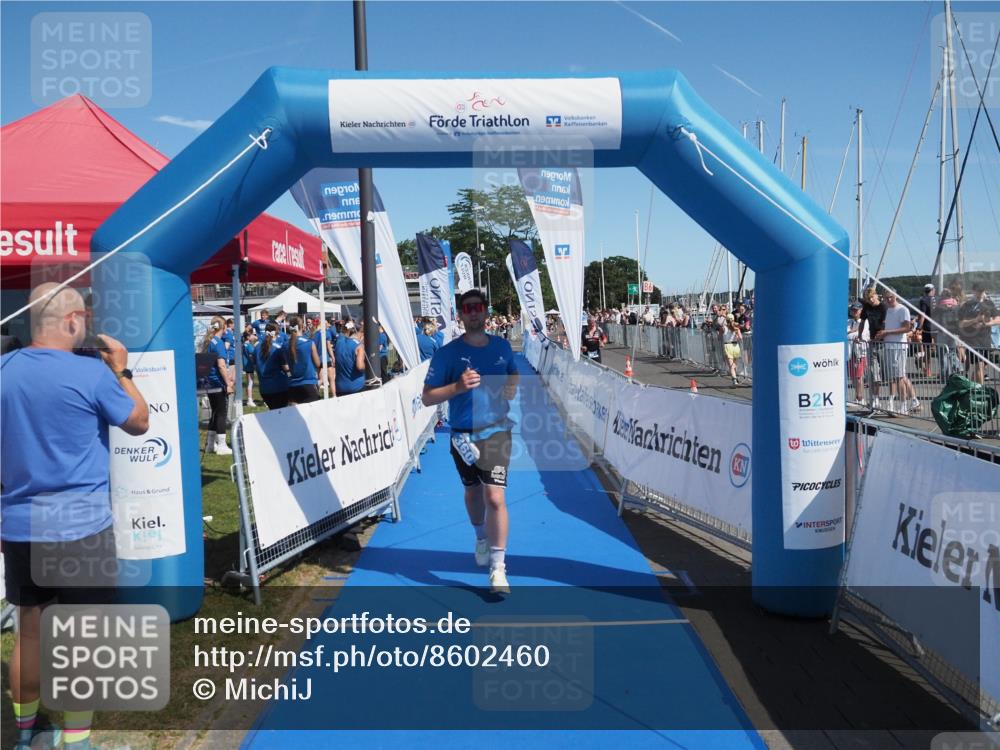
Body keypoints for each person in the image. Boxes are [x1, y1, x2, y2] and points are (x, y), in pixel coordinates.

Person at [2, 283, 149, 750]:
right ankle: (77, 739)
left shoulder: (4, 369)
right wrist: (122, 369)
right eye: (84, 318)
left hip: (22, 524)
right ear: (71, 321)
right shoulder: (91, 373)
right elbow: (140, 421)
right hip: (82, 527)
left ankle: (25, 735)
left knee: (29, 633)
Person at [422, 289, 519, 595]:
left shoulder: (502, 346)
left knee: (495, 497)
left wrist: (511, 388)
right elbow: (427, 397)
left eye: (478, 307)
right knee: (473, 492)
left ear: (486, 312)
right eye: (468, 308)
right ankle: (480, 537)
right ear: (461, 314)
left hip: (497, 432)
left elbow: (513, 374)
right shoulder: (447, 354)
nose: (474, 312)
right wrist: (457, 387)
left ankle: (498, 568)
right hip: (463, 435)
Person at [875, 290, 919, 414]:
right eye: (886, 298)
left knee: (898, 376)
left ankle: (903, 405)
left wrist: (887, 332)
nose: (888, 300)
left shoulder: (903, 309)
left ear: (896, 296)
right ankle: (912, 401)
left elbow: (906, 328)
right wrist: (881, 335)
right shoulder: (887, 310)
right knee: (895, 376)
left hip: (899, 347)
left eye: (891, 297)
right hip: (888, 346)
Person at [200, 315, 234, 454]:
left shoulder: (209, 341)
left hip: (209, 382)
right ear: (223, 327)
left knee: (215, 412)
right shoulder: (218, 343)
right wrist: (228, 383)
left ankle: (210, 444)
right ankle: (221, 445)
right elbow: (221, 365)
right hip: (218, 382)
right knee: (221, 413)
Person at [958, 282, 1000, 384]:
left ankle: (972, 386)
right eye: (978, 291)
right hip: (973, 340)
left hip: (985, 339)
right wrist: (975, 320)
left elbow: (998, 319)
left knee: (983, 365)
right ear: (974, 291)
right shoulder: (967, 305)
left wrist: (985, 324)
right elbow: (961, 323)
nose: (980, 293)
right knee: (979, 365)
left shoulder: (989, 304)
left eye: (982, 291)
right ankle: (980, 390)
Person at [858, 286, 887, 407]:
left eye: (872, 297)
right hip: (873, 342)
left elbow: (885, 324)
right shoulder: (867, 307)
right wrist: (859, 335)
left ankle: (904, 399)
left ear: (876, 295)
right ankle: (875, 398)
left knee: (890, 373)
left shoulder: (883, 307)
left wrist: (880, 336)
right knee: (874, 372)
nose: (871, 300)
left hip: (885, 342)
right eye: (868, 299)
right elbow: (862, 321)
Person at [285, 315, 322, 404]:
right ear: (302, 327)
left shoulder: (285, 344)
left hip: (292, 385)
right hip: (308, 383)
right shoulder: (309, 343)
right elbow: (318, 363)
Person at [255, 323, 291, 409]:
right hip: (279, 387)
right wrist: (291, 376)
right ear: (276, 334)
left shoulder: (256, 348)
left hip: (264, 388)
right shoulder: (278, 348)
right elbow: (286, 368)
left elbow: (256, 367)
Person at [335, 321, 367, 396]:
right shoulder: (359, 346)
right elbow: (360, 366)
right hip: (356, 387)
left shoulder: (339, 342)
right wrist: (367, 365)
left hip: (340, 387)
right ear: (362, 334)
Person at [847, 303, 869, 404]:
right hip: (850, 352)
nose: (854, 312)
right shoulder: (848, 321)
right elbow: (845, 333)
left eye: (856, 310)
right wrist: (854, 332)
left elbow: (862, 334)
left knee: (859, 376)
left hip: (860, 352)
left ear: (861, 311)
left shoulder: (865, 321)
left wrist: (851, 333)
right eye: (853, 310)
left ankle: (861, 398)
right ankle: (857, 396)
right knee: (852, 376)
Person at [917, 283, 936, 377]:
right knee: (939, 348)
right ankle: (943, 370)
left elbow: (923, 315)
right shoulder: (936, 300)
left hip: (927, 327)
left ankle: (928, 370)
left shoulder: (923, 300)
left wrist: (919, 327)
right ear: (933, 290)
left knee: (927, 349)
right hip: (937, 326)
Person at [722, 315, 744, 385]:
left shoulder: (724, 327)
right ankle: (735, 377)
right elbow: (740, 338)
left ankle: (734, 379)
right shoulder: (736, 328)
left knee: (731, 365)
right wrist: (737, 333)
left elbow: (719, 336)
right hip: (735, 346)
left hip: (728, 346)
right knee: (734, 364)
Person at [242, 330, 258, 408]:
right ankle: (249, 400)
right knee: (250, 383)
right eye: (252, 335)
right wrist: (255, 365)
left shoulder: (244, 344)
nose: (254, 336)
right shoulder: (249, 345)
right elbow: (252, 356)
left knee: (248, 382)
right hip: (249, 366)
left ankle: (249, 398)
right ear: (248, 337)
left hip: (246, 365)